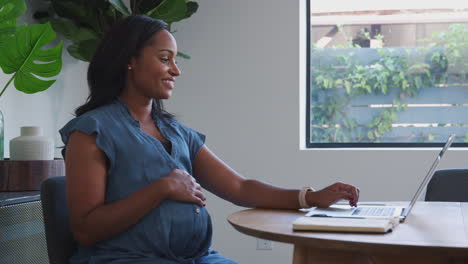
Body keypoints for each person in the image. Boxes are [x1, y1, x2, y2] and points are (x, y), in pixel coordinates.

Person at [60, 15, 360, 264]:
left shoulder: (177, 133)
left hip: (198, 259)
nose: (175, 70)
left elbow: (240, 187)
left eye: (175, 60)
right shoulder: (91, 132)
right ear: (130, 60)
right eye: (165, 59)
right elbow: (86, 230)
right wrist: (162, 188)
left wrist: (310, 197)